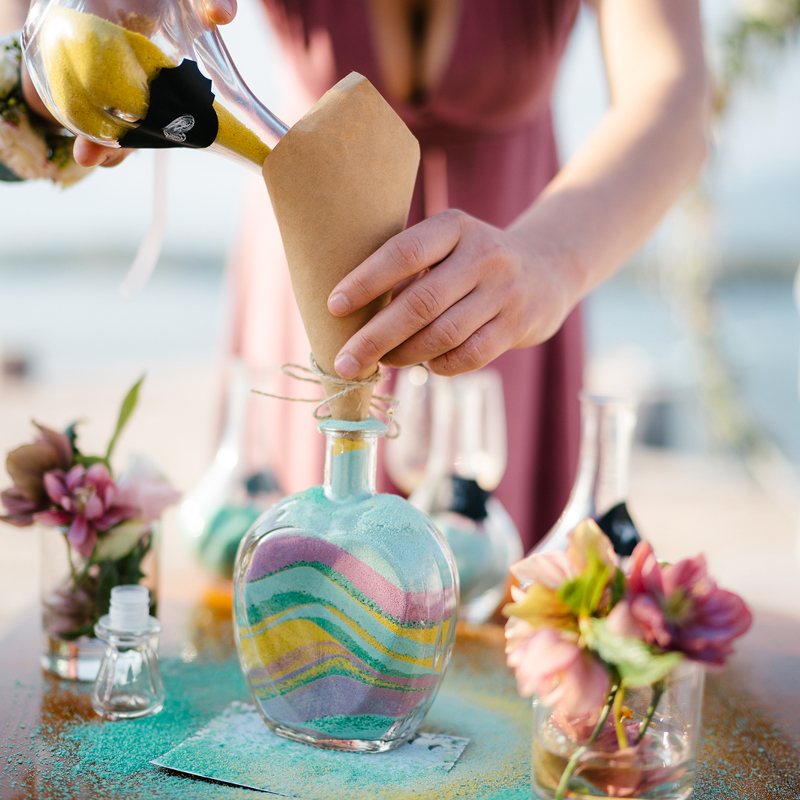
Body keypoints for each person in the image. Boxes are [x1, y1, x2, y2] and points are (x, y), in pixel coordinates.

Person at [1, 0, 707, 550]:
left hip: (513, 278)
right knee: (302, 600)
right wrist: (54, 50)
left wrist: (554, 259)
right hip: (309, 280)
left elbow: (673, 91)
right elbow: (25, 41)